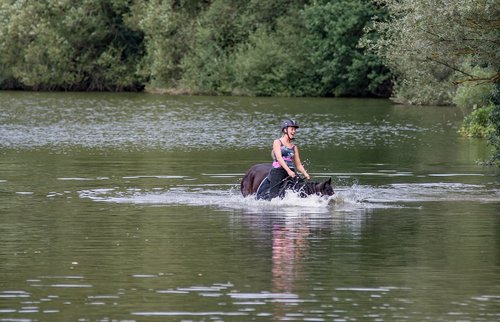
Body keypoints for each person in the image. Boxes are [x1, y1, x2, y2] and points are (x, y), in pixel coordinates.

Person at [268, 119, 310, 199]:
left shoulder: (294, 147)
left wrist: (305, 173)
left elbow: (298, 164)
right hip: (278, 171)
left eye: (295, 129)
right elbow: (279, 158)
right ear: (285, 130)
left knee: (302, 190)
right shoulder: (277, 142)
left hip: (291, 172)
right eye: (292, 129)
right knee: (274, 197)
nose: (294, 131)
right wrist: (288, 171)